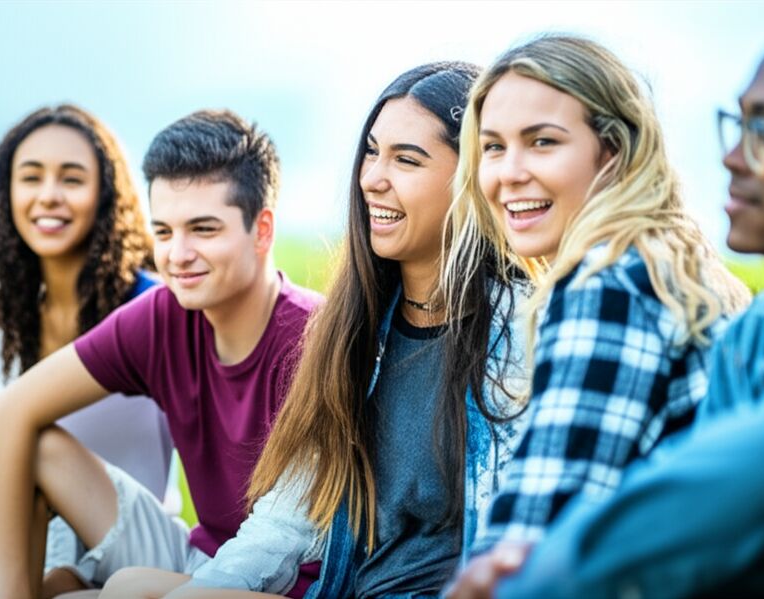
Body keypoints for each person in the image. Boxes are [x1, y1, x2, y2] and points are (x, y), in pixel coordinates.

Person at [447, 1, 764, 597]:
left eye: (542, 142)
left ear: (612, 152)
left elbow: (527, 542)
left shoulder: (612, 284)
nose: (509, 172)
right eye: (493, 147)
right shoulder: (761, 328)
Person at [99, 61, 531, 599]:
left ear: (472, 177)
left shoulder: (521, 333)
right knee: (128, 587)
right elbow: (287, 522)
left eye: (407, 159)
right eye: (372, 151)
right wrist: (205, 588)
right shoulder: (355, 330)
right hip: (348, 591)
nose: (373, 177)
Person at [0, 109, 323, 599]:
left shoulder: (315, 339)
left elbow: (288, 548)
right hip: (195, 554)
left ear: (262, 230)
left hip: (289, 583)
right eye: (163, 232)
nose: (177, 255)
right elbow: (2, 419)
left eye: (203, 229)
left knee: (125, 589)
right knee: (33, 444)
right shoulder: (162, 314)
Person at [0, 104, 172, 595]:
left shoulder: (153, 307)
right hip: (24, 533)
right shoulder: (4, 310)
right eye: (31, 178)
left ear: (105, 195)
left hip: (117, 538)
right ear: (5, 193)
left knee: (48, 581)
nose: (48, 196)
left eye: (71, 179)